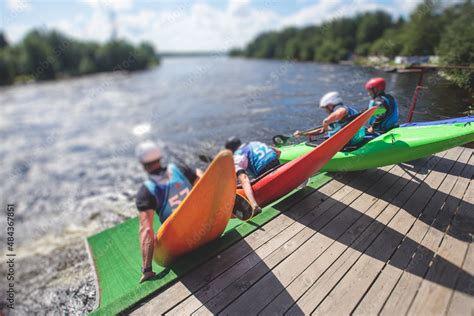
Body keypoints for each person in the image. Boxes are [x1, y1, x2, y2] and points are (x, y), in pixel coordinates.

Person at [135, 141, 203, 283]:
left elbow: (146, 230)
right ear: (160, 158)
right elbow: (203, 179)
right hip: (202, 224)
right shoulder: (179, 169)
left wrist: (147, 269)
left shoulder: (146, 191)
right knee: (196, 173)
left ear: (143, 165)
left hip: (178, 242)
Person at [225, 137, 281, 214]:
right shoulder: (255, 142)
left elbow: (244, 179)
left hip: (264, 171)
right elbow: (278, 152)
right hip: (277, 164)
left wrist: (253, 204)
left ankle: (254, 205)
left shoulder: (238, 155)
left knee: (243, 178)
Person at [294, 91, 365, 146]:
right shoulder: (335, 115)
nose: (325, 110)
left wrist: (326, 121)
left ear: (330, 105)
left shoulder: (342, 109)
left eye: (325, 108)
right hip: (350, 140)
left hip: (352, 141)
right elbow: (321, 131)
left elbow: (342, 111)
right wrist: (303, 133)